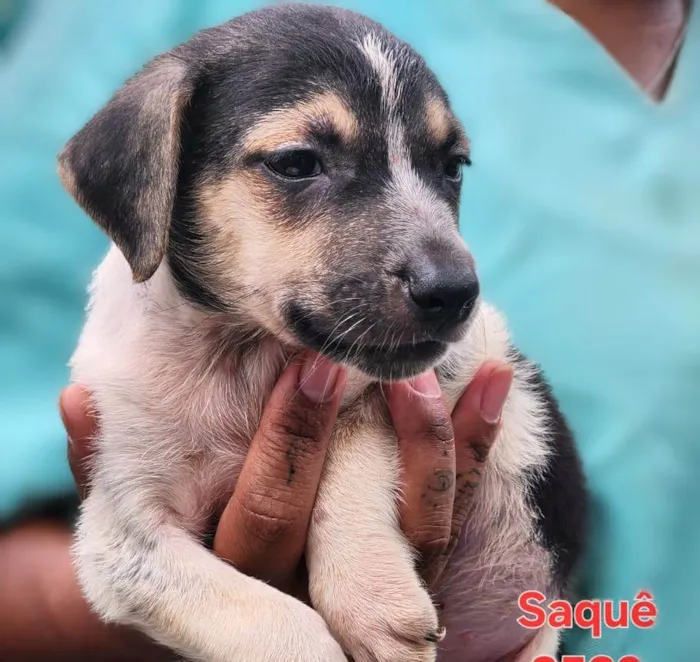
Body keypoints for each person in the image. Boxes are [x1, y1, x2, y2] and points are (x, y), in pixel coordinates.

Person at [1, 0, 698, 660]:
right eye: (298, 165)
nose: (447, 270)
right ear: (148, 186)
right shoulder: (119, 27)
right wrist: (215, 623)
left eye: (447, 167)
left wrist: (353, 515)